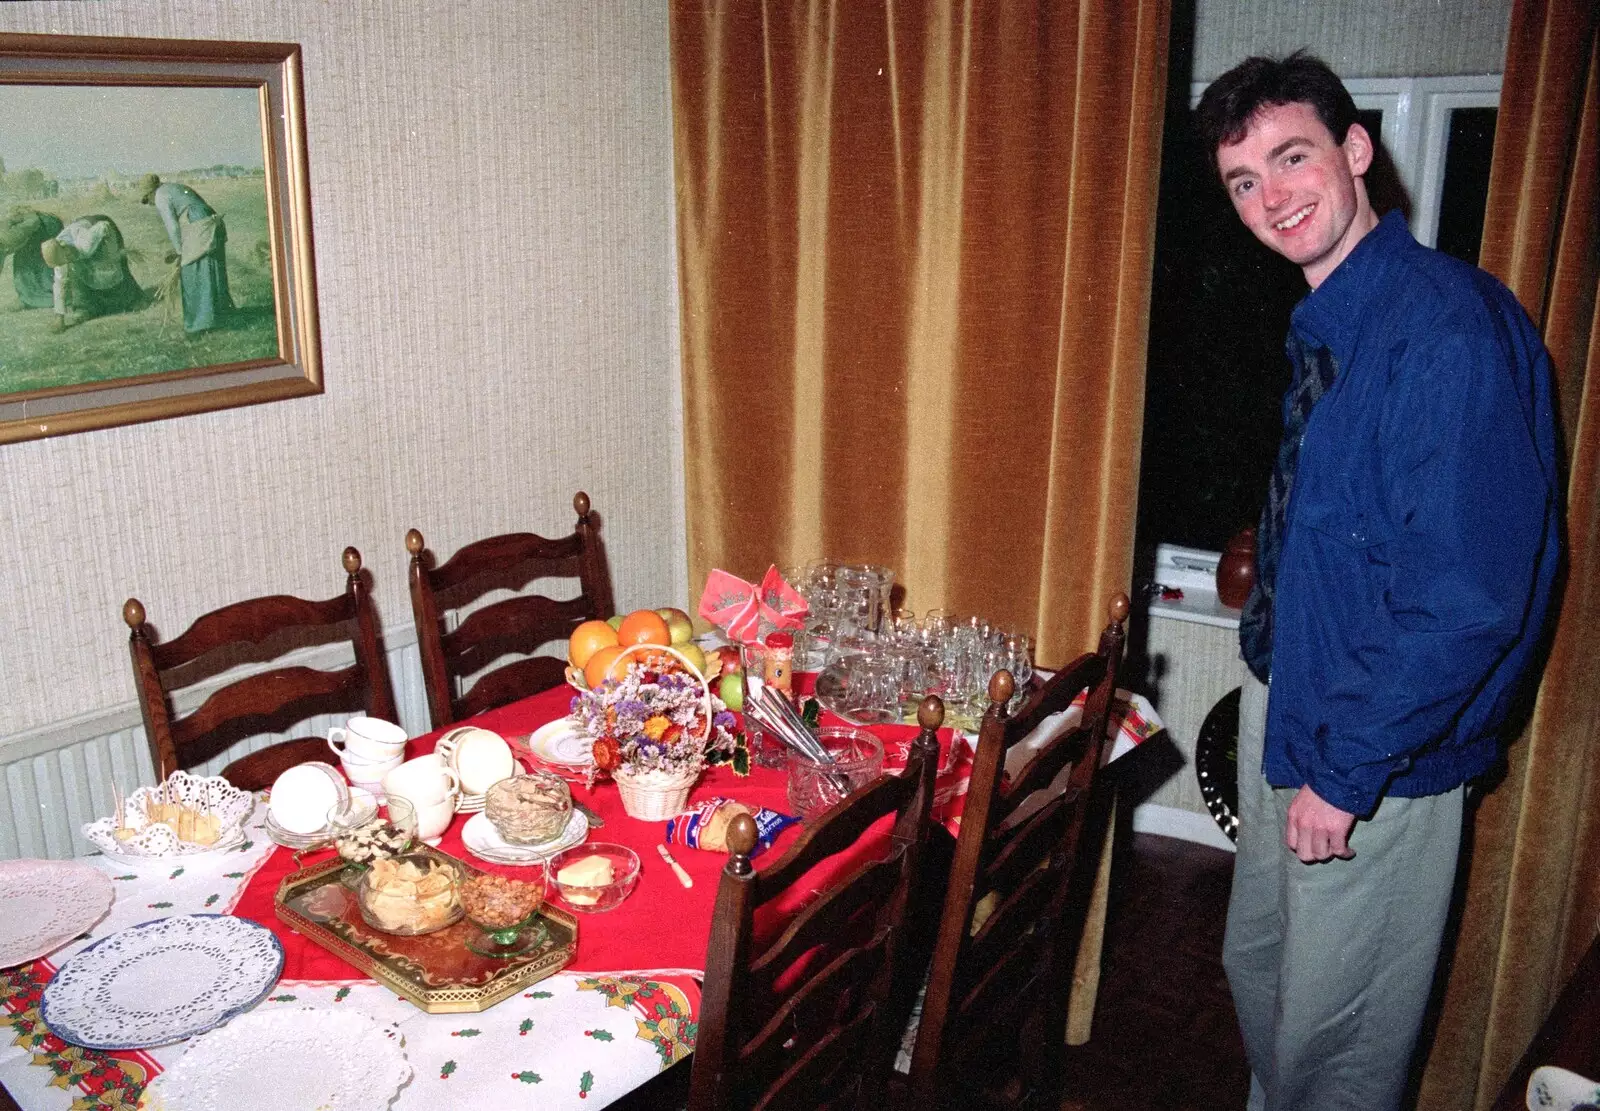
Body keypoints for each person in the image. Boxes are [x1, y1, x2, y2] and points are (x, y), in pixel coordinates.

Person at [1196, 52, 1560, 1111]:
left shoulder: (1442, 330)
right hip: (1295, 706)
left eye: (1292, 155)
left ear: (1356, 153)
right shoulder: (1333, 326)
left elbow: (1465, 596)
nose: (1273, 196)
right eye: (1244, 181)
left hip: (1376, 748)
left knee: (1338, 1042)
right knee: (1264, 981)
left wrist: (1348, 769)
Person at [138, 173, 233, 333]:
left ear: (150, 193)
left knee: (192, 271)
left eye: (147, 200)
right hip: (206, 219)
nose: (150, 204)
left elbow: (172, 226)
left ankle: (200, 324)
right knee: (209, 267)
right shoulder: (171, 188)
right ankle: (219, 316)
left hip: (197, 221)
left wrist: (180, 251)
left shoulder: (161, 196)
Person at [39, 214, 145, 330]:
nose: (65, 263)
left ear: (66, 249)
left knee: (108, 270)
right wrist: (59, 318)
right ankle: (85, 308)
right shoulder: (59, 254)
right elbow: (60, 283)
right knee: (77, 271)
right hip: (83, 239)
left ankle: (134, 299)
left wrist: (112, 255)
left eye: (66, 258)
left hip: (103, 230)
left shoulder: (85, 242)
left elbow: (105, 226)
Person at [0, 206, 64, 309]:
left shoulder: (14, 233)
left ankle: (46, 298)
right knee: (23, 264)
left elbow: (33, 222)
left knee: (39, 263)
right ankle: (28, 299)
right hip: (32, 232)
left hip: (47, 226)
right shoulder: (5, 240)